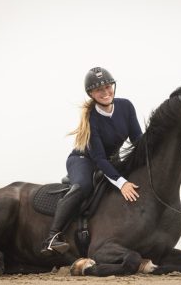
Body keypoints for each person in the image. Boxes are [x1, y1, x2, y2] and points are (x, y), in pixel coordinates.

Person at [41, 67, 143, 255]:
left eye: (107, 87)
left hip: (111, 160)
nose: (105, 92)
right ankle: (52, 237)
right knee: (84, 186)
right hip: (84, 159)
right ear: (91, 94)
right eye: (99, 90)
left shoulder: (126, 106)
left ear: (113, 86)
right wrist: (122, 183)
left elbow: (138, 140)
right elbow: (99, 159)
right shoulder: (91, 117)